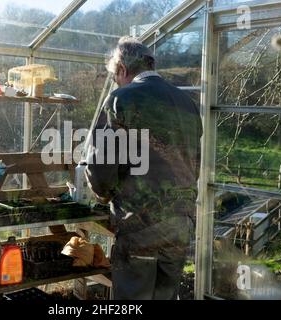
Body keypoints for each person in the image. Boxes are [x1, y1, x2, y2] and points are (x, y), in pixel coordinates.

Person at [85, 36, 202, 300]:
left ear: (123, 70)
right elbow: (194, 164)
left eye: (116, 77)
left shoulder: (120, 99)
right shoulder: (187, 104)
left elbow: (101, 169)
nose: (117, 82)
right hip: (179, 223)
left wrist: (102, 194)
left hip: (140, 224)